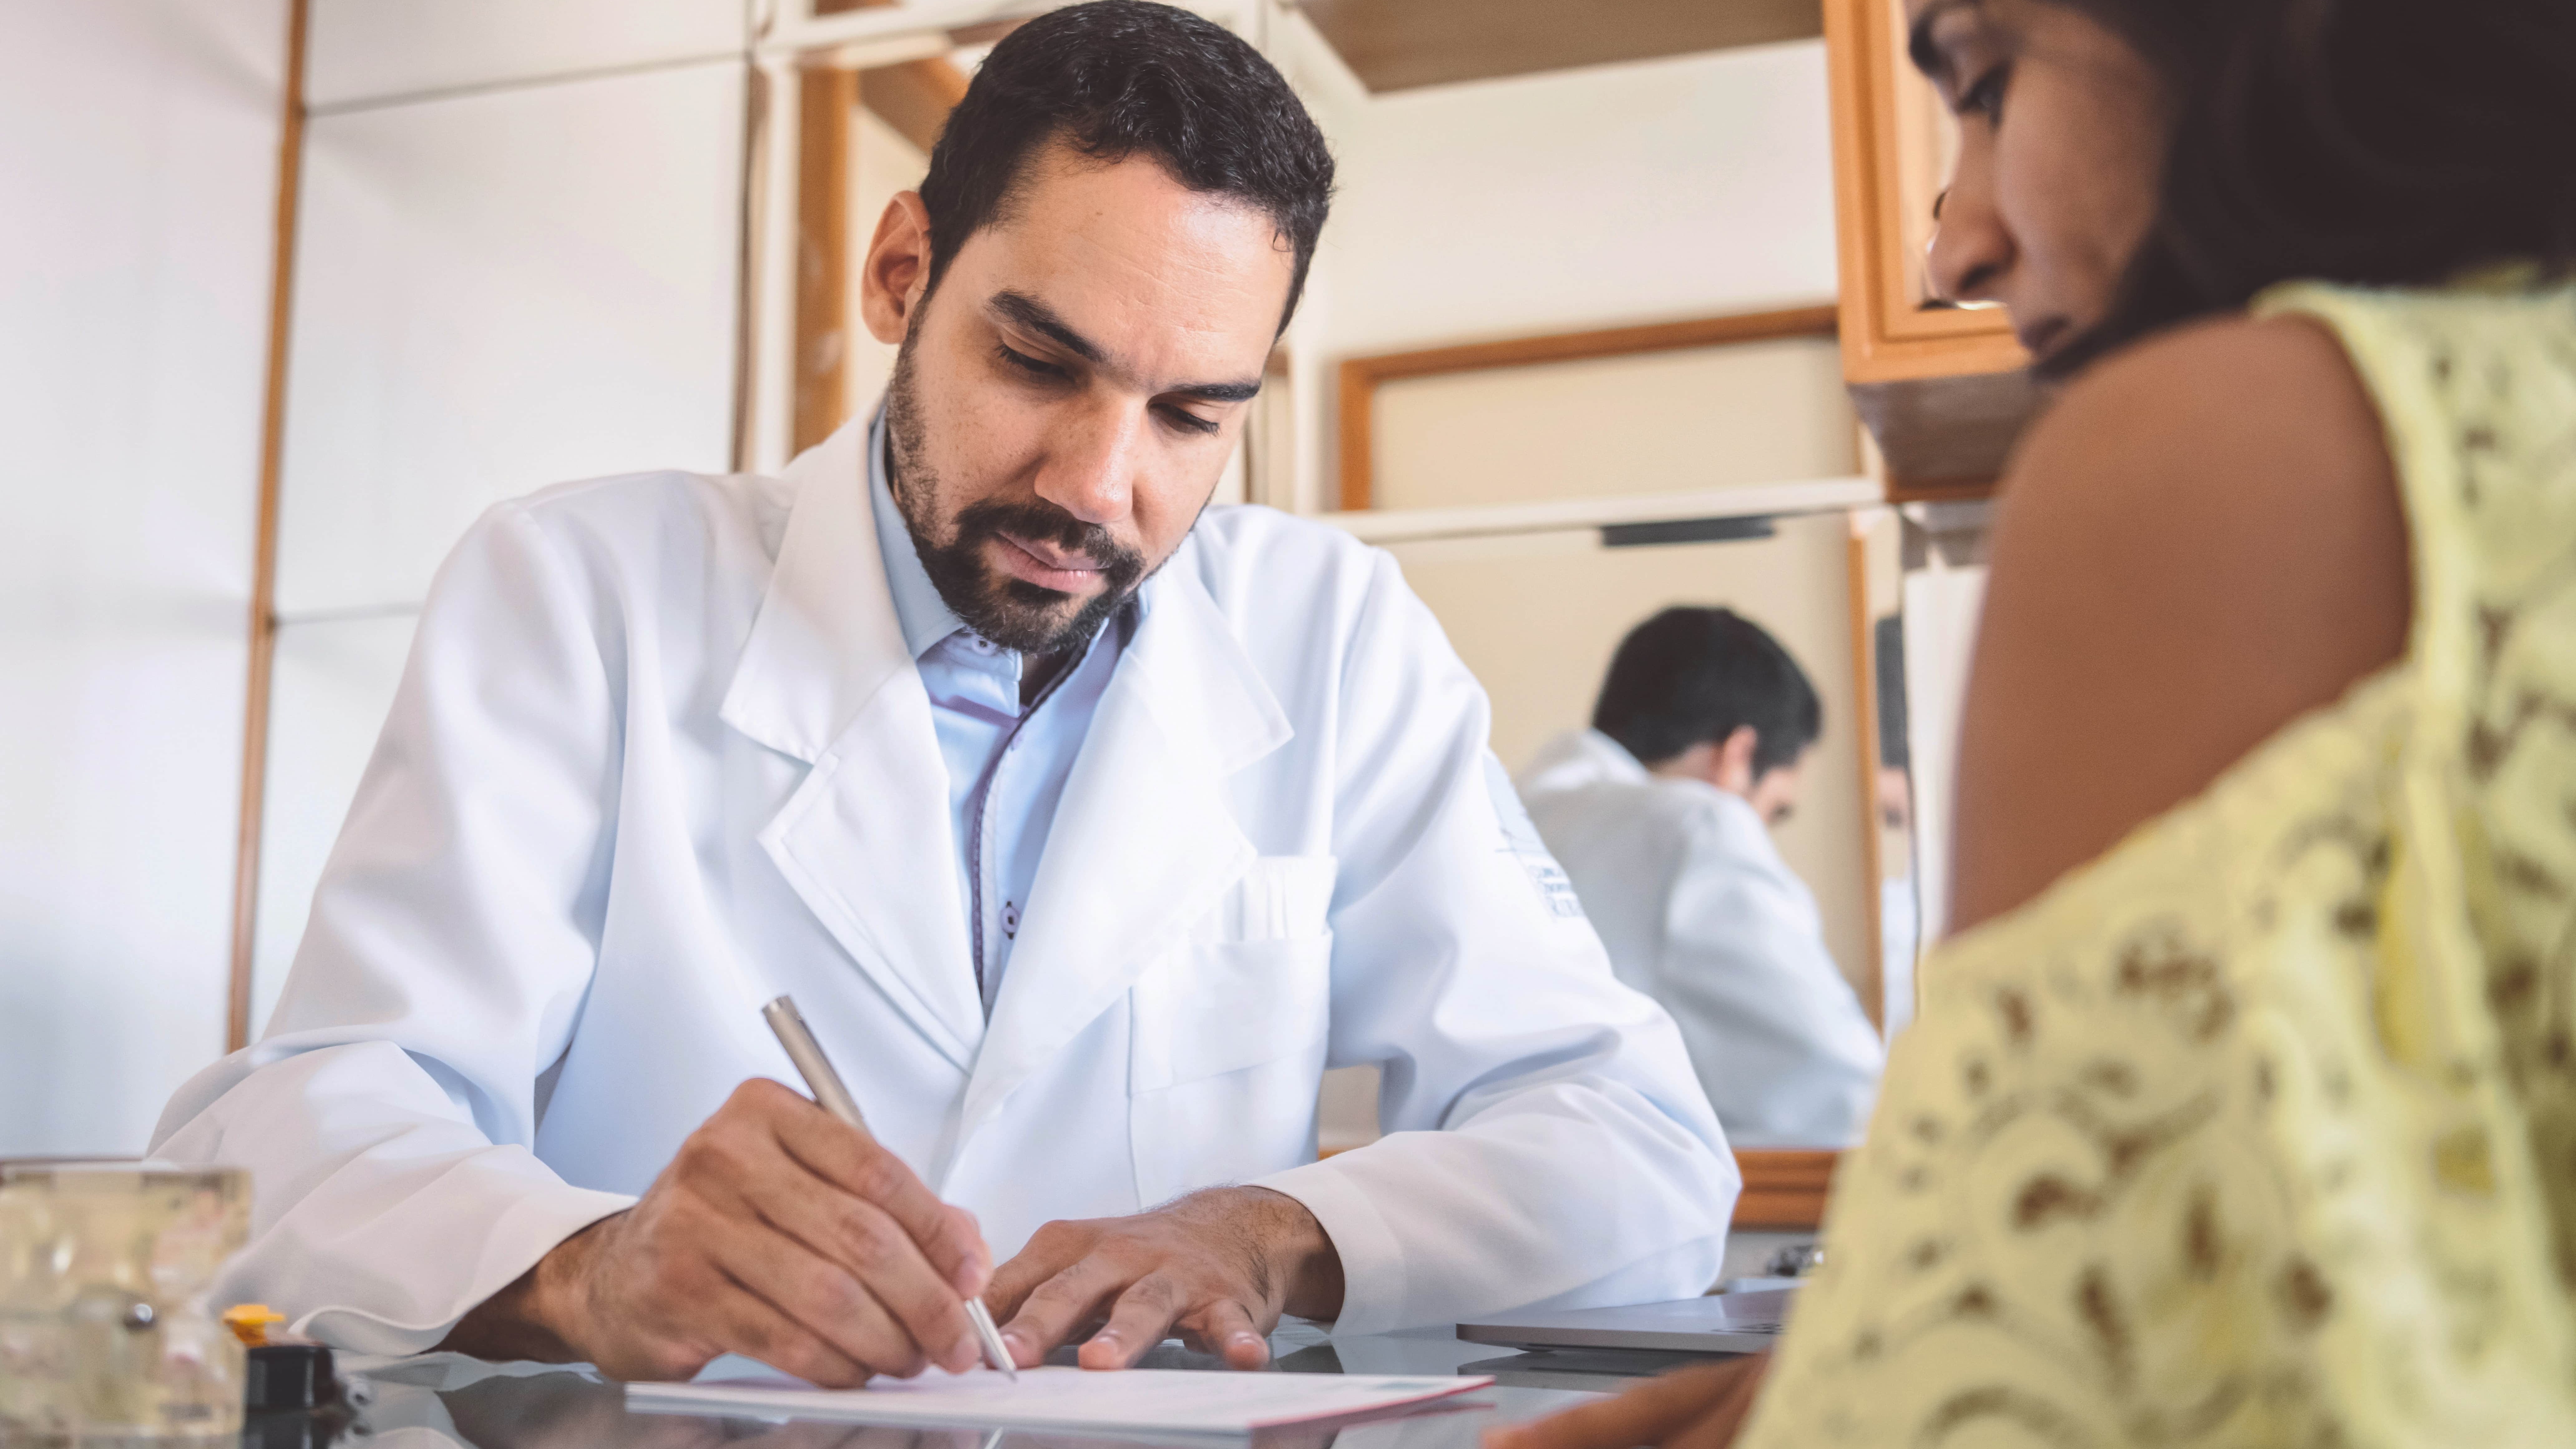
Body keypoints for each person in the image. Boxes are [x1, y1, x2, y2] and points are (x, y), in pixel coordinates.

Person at [152, 2, 1735, 1387]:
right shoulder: (583, 593)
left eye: (1188, 413)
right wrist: (584, 1260)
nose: (1097, 487)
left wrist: (1279, 1230)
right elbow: (272, 1146)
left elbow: (1634, 1146)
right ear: (903, 270)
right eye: (1040, 364)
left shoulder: (1330, 636)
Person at [1494, 0, 2576, 1444]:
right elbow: (1835, 1085)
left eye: (1990, 83)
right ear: (1744, 759)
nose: (1950, 248)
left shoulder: (2232, 454)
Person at [1519, 607, 1883, 1147]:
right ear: (1736, 757)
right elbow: (1841, 1094)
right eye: (1774, 809)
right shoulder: (1696, 828)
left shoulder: (1505, 811)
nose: (1762, 832)